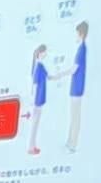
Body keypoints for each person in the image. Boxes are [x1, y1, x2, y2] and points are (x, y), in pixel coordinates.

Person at [53, 21, 87, 152]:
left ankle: (73, 144)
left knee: (75, 116)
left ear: (81, 34)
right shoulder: (80, 49)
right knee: (74, 115)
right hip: (75, 87)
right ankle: (70, 141)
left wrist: (60, 74)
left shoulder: (82, 49)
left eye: (77, 34)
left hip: (77, 87)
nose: (76, 36)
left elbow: (74, 69)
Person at [29, 44, 48, 156]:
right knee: (34, 126)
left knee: (35, 125)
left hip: (39, 99)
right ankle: (31, 148)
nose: (46, 54)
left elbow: (48, 77)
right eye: (44, 52)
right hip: (37, 100)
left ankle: (33, 146)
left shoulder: (41, 66)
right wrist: (34, 102)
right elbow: (35, 85)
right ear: (40, 53)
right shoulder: (38, 67)